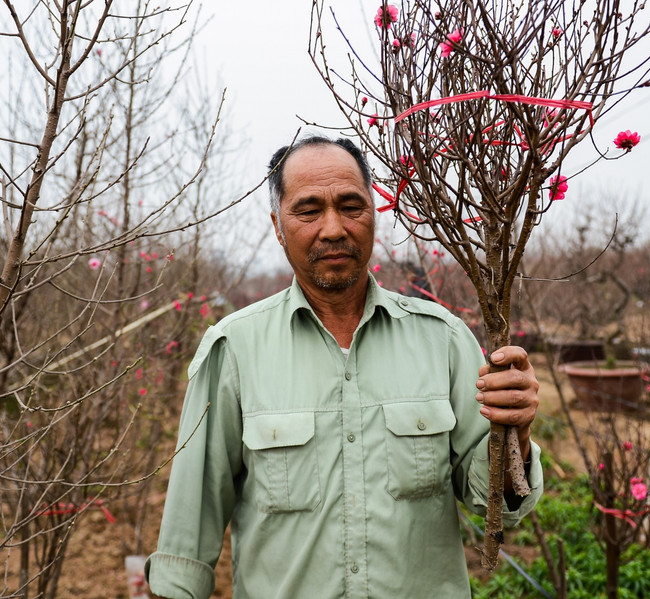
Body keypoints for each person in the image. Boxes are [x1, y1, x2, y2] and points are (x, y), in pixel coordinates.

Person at [146, 135, 543, 598]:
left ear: (373, 213)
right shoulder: (233, 349)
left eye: (350, 205)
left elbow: (493, 502)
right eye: (309, 210)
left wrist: (516, 429)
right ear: (278, 225)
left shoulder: (443, 338)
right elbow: (188, 536)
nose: (333, 228)